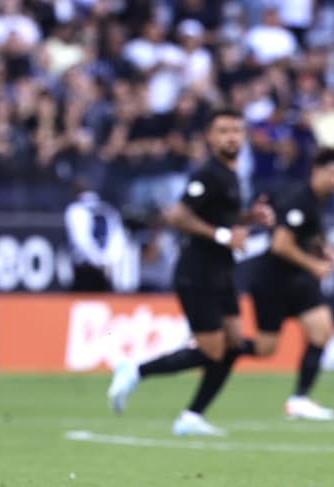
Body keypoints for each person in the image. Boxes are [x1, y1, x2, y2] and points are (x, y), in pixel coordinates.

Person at [107, 108, 274, 436]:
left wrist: (246, 219)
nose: (231, 137)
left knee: (234, 345)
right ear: (210, 137)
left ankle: (192, 417)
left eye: (236, 130)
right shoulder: (208, 173)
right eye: (223, 130)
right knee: (213, 350)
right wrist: (225, 235)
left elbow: (217, 217)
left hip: (221, 272)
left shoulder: (229, 174)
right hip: (198, 274)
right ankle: (136, 370)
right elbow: (178, 215)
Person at [247, 148, 334, 420]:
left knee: (322, 330)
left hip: (296, 281)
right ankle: (214, 345)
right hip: (273, 281)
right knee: (265, 349)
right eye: (333, 174)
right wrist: (314, 264)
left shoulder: (317, 200)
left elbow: (308, 235)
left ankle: (299, 399)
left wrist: (322, 248)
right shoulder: (300, 199)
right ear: (317, 170)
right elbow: (280, 244)